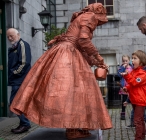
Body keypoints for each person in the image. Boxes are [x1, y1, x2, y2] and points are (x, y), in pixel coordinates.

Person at [10, 3, 112, 139]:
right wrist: (99, 57)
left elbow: (80, 44)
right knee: (75, 91)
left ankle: (73, 127)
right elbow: (83, 39)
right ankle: (73, 129)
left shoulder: (81, 17)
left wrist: (96, 62)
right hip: (68, 53)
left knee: (72, 92)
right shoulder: (90, 16)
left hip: (65, 51)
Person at [6, 28, 31, 134]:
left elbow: (25, 63)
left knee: (14, 102)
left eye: (11, 36)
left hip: (20, 80)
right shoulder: (13, 47)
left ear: (18, 34)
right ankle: (23, 123)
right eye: (8, 36)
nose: (9, 38)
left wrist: (14, 73)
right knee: (18, 103)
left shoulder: (22, 45)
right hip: (16, 80)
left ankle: (25, 124)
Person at [121, 50, 146, 140]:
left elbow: (134, 82)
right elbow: (131, 84)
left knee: (137, 120)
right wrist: (127, 88)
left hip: (140, 100)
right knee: (140, 120)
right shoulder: (134, 71)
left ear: (141, 61)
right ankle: (141, 137)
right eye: (132, 58)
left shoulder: (143, 73)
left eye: (135, 58)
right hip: (135, 99)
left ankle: (138, 138)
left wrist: (126, 76)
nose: (132, 60)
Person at [117, 55, 133, 120]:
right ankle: (123, 113)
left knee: (132, 99)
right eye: (123, 61)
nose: (125, 62)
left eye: (126, 61)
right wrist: (123, 68)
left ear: (129, 61)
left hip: (131, 86)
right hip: (124, 86)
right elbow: (118, 76)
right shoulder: (121, 68)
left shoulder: (132, 67)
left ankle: (134, 113)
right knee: (124, 100)